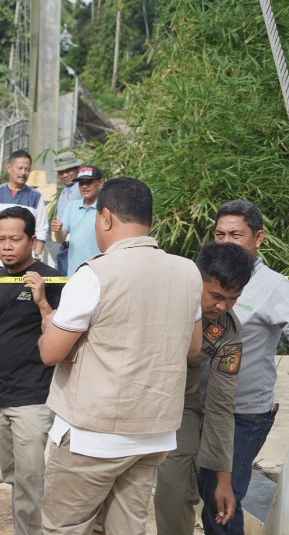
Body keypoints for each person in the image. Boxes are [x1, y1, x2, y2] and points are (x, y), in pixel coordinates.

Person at [38, 177, 203, 535]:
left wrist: (49, 324)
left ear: (106, 218)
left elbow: (50, 353)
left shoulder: (95, 274)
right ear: (150, 220)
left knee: (64, 528)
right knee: (126, 528)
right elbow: (193, 347)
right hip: (152, 433)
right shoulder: (188, 272)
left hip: (92, 435)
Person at [198, 199, 289, 534]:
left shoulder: (273, 286)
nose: (226, 242)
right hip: (201, 408)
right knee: (206, 492)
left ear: (259, 238)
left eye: (235, 235)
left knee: (222, 502)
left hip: (245, 414)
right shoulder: (204, 277)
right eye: (220, 234)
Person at [0, 206, 61, 535]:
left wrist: (42, 302)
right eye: (0, 239)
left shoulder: (51, 279)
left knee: (30, 483)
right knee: (14, 478)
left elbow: (62, 338)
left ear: (32, 241)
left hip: (34, 399)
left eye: (14, 239)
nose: (6, 246)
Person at [154, 242, 254, 535]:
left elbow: (221, 405)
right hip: (129, 395)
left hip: (180, 406)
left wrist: (223, 480)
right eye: (216, 296)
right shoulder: (161, 293)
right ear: (197, 278)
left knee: (175, 492)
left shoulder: (228, 335)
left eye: (233, 299)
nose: (223, 307)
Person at [0, 150, 48, 275]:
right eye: (20, 168)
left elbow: (41, 229)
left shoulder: (36, 196)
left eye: (27, 169)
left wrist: (37, 255)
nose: (23, 173)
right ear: (9, 168)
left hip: (26, 265)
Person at [52, 165, 104, 275]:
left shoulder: (106, 208)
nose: (84, 186)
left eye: (89, 182)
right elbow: (61, 239)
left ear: (101, 183)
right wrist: (58, 231)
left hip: (98, 272)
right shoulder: (72, 206)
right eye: (81, 183)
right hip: (74, 272)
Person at [50, 151, 83, 276]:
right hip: (64, 245)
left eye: (68, 170)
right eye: (60, 172)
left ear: (77, 169)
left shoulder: (83, 187)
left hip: (78, 246)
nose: (64, 175)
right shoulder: (64, 192)